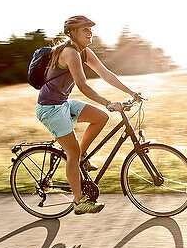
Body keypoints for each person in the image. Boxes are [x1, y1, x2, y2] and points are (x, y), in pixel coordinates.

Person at [36, 15, 142, 215]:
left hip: (63, 104)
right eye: (85, 29)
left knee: (101, 117)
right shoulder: (70, 53)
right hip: (49, 109)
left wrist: (131, 93)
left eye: (90, 29)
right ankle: (78, 201)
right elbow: (83, 85)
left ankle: (81, 156)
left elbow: (105, 73)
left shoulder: (84, 52)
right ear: (73, 33)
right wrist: (108, 103)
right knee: (72, 153)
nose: (90, 32)